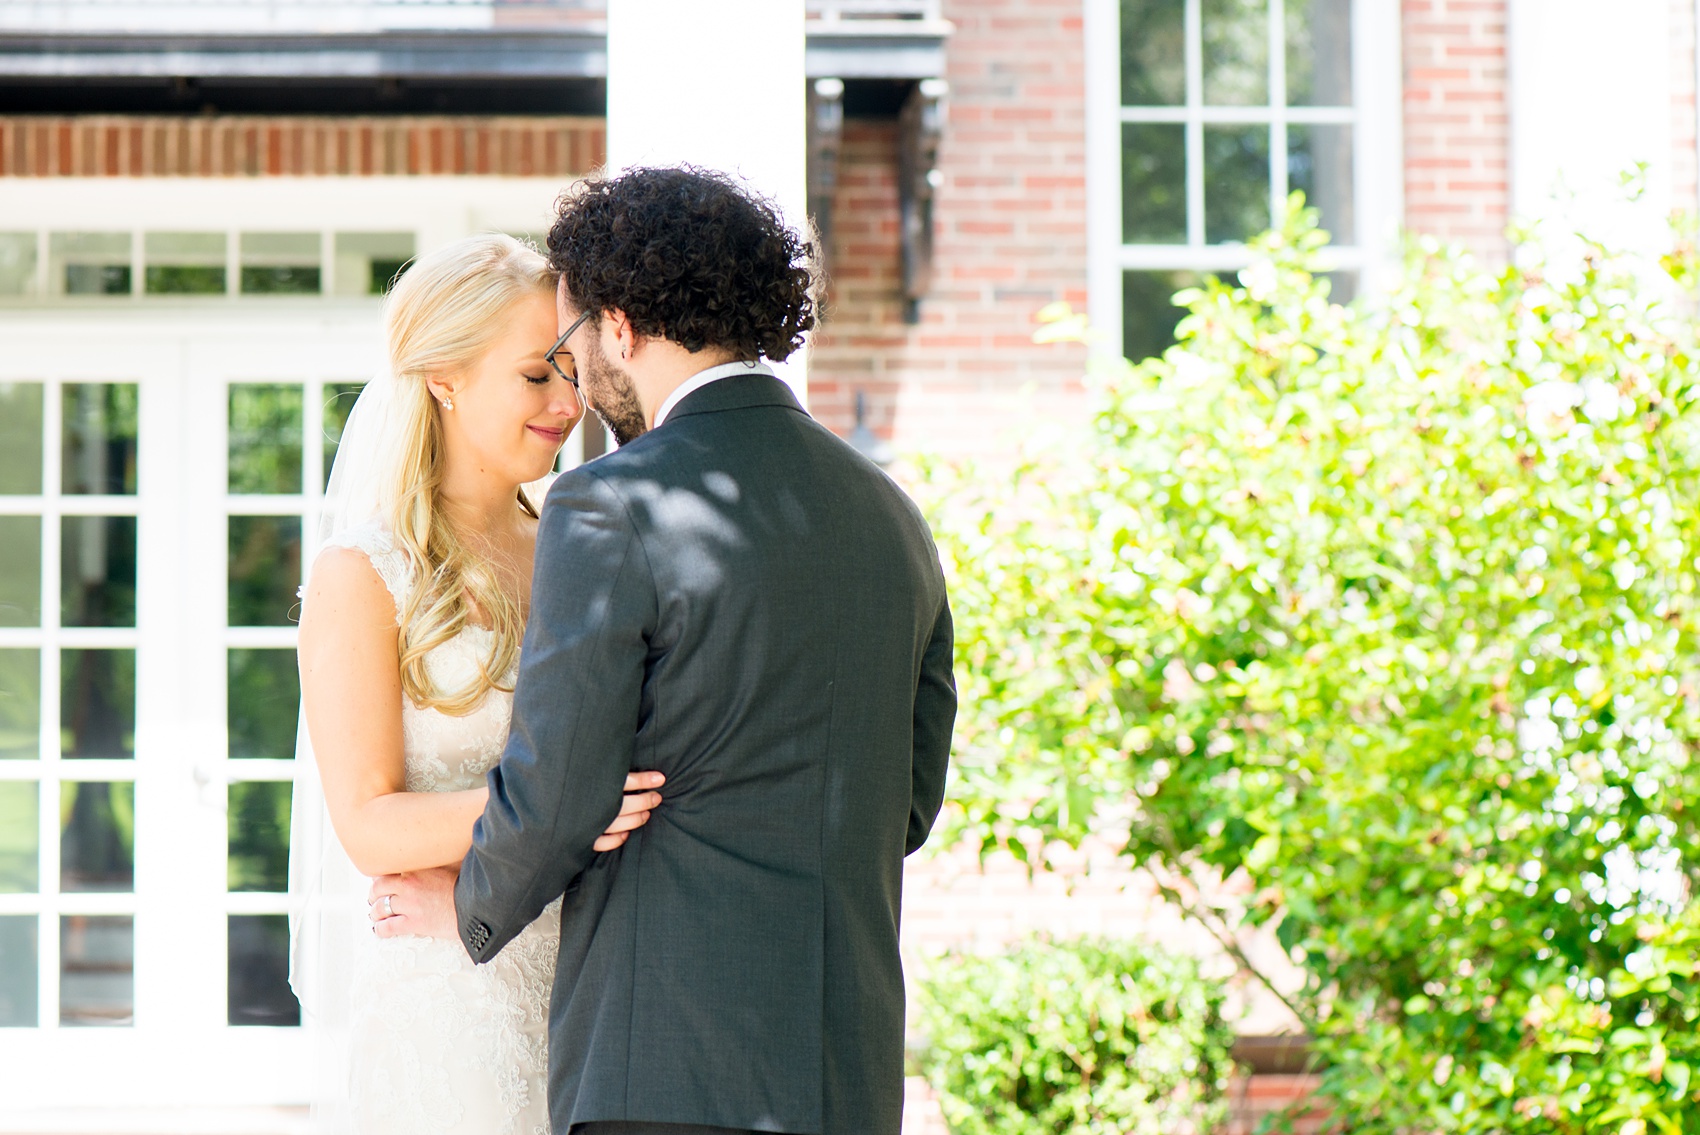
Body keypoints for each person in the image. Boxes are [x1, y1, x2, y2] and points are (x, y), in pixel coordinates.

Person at [370, 166, 957, 1135]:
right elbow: (906, 802)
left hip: (663, 1071)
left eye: (571, 342)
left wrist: (468, 908)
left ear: (621, 326)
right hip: (846, 1079)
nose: (577, 374)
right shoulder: (890, 515)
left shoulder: (611, 502)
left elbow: (559, 788)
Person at [288, 233, 666, 1135]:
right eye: (536, 376)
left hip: (595, 987)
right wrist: (564, 801)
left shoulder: (587, 547)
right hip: (451, 1011)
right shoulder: (362, 574)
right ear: (445, 378)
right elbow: (370, 826)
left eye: (571, 372)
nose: (570, 403)